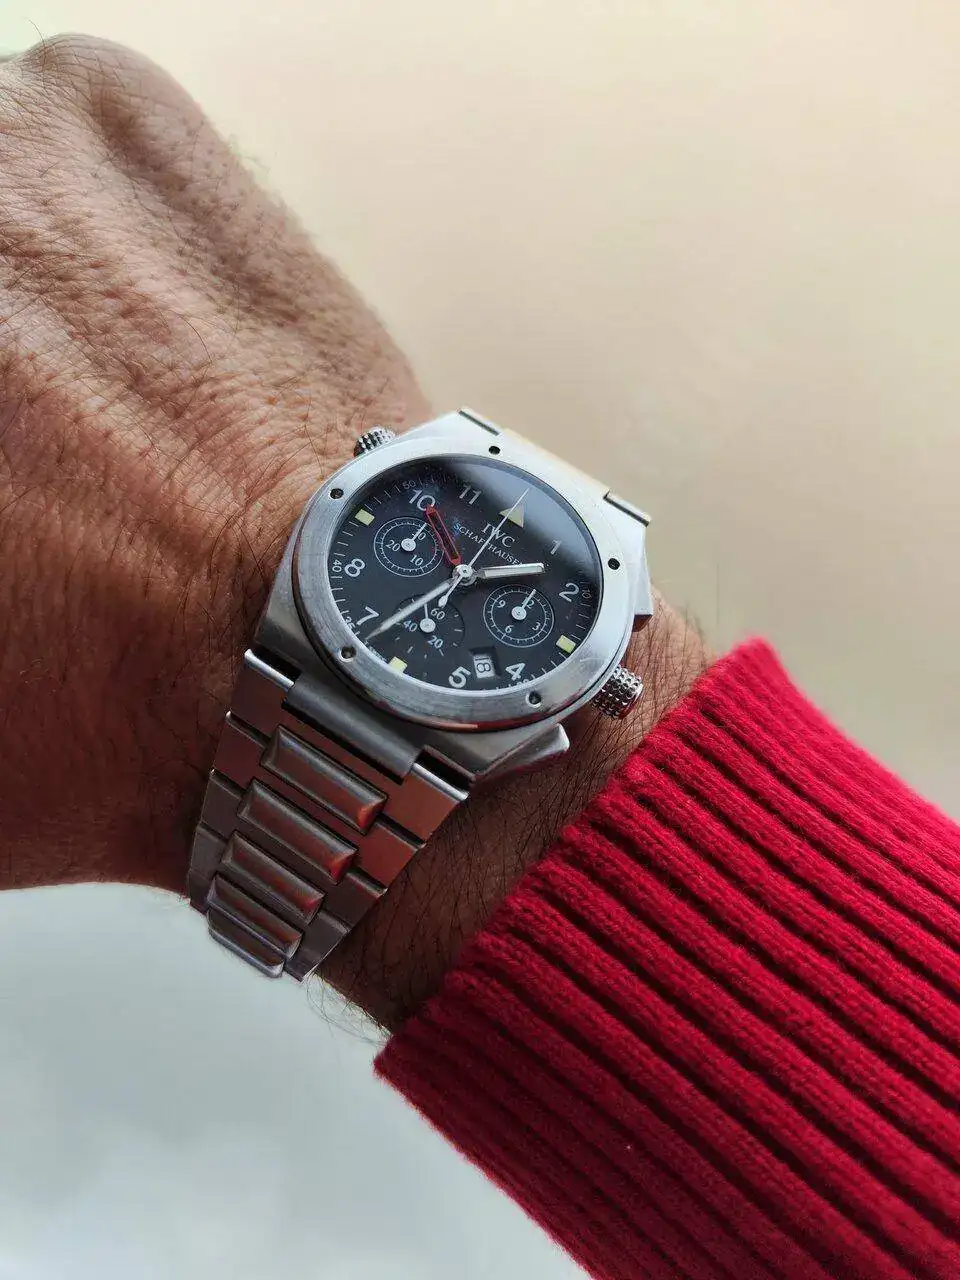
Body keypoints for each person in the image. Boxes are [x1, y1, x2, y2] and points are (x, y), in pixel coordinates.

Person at [0, 37, 956, 1280]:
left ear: (610, 680)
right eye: (445, 549)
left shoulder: (565, 703)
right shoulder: (410, 524)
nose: (455, 579)